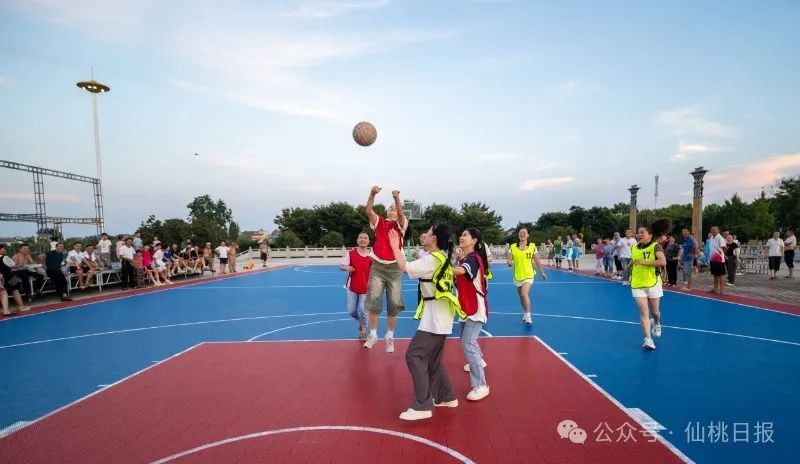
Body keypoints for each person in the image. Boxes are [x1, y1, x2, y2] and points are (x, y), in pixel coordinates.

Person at [387, 224, 464, 420]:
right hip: (442, 314)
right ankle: (446, 396)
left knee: (414, 355)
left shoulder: (431, 259)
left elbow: (404, 267)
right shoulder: (440, 257)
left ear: (434, 238)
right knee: (433, 361)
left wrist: (395, 246)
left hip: (435, 317)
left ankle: (423, 404)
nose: (425, 236)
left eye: (428, 233)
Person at [363, 186, 408, 352]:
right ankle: (373, 334)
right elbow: (369, 210)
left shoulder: (401, 224)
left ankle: (389, 336)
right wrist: (372, 194)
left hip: (395, 268)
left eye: (395, 208)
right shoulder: (380, 222)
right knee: (374, 301)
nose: (392, 209)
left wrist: (396, 198)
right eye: (390, 207)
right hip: (378, 267)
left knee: (394, 303)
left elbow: (401, 214)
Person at [453, 228, 491, 402]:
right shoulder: (465, 259)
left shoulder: (473, 258)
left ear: (474, 241)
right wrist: (457, 259)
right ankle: (478, 360)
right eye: (461, 235)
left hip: (475, 307)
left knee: (467, 343)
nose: (461, 237)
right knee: (468, 341)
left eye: (465, 235)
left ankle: (481, 385)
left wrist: (442, 266)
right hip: (466, 306)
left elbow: (461, 271)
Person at [629, 219, 671, 350]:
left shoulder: (656, 246)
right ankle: (648, 339)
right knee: (643, 311)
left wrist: (644, 262)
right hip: (637, 283)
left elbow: (663, 262)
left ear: (650, 235)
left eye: (642, 232)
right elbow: (633, 261)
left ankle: (657, 323)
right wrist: (629, 267)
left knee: (655, 312)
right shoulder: (634, 247)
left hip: (653, 283)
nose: (639, 234)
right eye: (638, 233)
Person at [507, 228, 547, 326]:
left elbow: (537, 261)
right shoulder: (512, 247)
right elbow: (509, 260)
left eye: (524, 233)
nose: (522, 234)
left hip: (529, 274)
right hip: (517, 275)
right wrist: (509, 263)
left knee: (524, 293)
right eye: (521, 233)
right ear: (518, 235)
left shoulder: (532, 246)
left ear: (528, 235)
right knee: (521, 297)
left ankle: (528, 316)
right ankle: (525, 312)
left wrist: (542, 272)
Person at [339, 232, 372, 341]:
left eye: (365, 238)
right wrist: (347, 268)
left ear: (368, 241)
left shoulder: (372, 255)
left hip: (366, 288)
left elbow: (377, 270)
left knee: (363, 311)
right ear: (357, 240)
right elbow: (341, 266)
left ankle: (364, 330)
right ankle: (361, 322)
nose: (363, 240)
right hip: (352, 287)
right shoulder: (351, 253)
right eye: (361, 238)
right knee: (352, 311)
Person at [1, 244, 31, 314]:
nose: (5, 250)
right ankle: (21, 307)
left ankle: (6, 310)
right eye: (3, 249)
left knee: (3, 293)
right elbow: (13, 266)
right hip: (10, 276)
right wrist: (21, 265)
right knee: (15, 291)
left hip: (2, 278)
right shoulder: (5, 257)